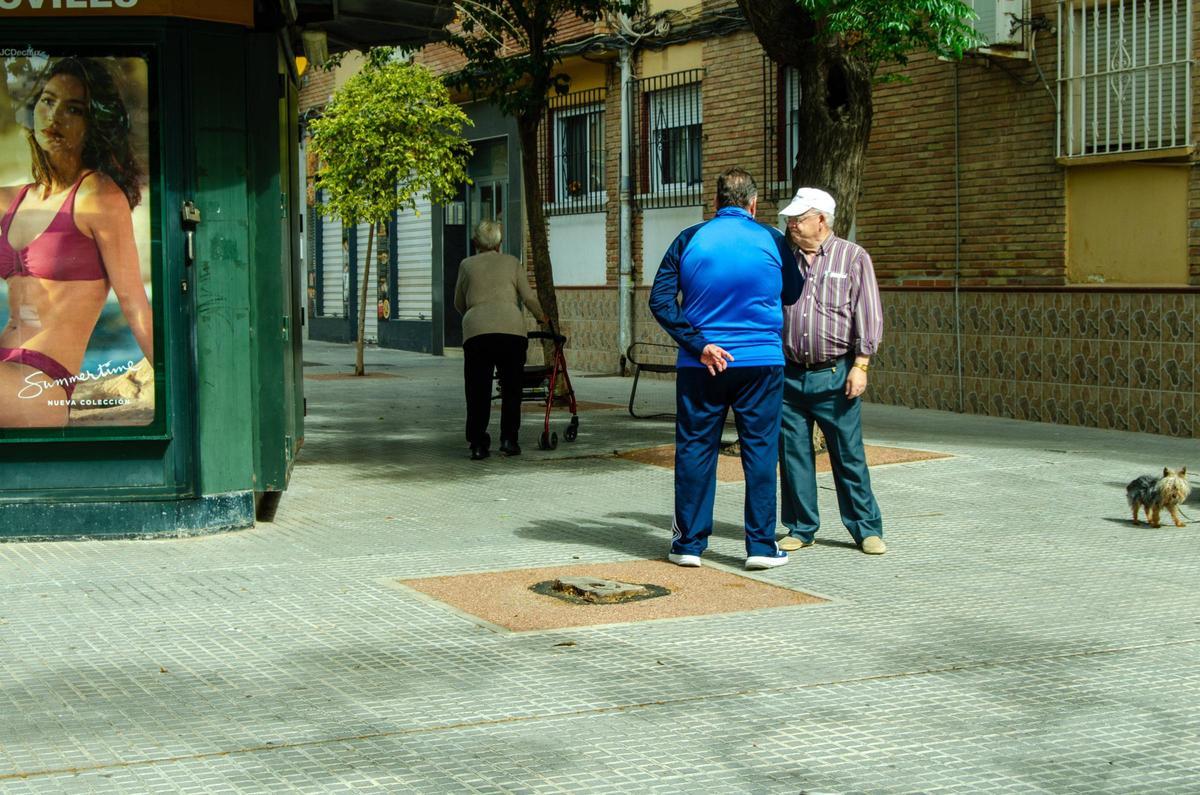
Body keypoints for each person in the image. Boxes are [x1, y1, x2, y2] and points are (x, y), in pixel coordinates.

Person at [649, 167, 802, 571]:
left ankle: (689, 545)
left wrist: (699, 345)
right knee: (761, 452)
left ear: (714, 203)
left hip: (701, 365)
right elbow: (794, 291)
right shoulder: (772, 238)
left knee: (696, 449)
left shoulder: (689, 239)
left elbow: (661, 301)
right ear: (753, 204)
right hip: (761, 363)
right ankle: (761, 547)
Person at [0, 56, 152, 428]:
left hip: (42, 381)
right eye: (48, 101)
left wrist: (176, 387)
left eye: (74, 109)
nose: (55, 117)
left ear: (92, 124)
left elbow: (134, 304)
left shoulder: (98, 196)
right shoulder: (10, 199)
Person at [776, 187, 885, 554]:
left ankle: (866, 528)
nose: (791, 224)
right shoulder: (782, 256)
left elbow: (867, 313)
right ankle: (800, 527)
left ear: (821, 219)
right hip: (789, 374)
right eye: (790, 218)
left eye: (799, 218)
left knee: (848, 454)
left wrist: (861, 364)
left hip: (836, 374)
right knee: (793, 456)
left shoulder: (853, 257)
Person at [453, 219, 546, 460]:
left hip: (477, 334)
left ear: (475, 242)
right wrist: (541, 317)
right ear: (499, 243)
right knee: (512, 388)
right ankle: (509, 439)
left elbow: (458, 302)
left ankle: (477, 444)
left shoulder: (466, 265)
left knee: (477, 390)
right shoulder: (513, 263)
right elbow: (528, 297)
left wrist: (476, 315)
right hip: (511, 332)